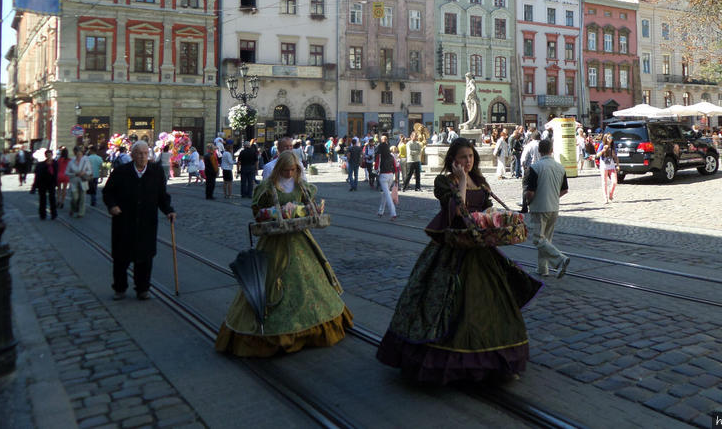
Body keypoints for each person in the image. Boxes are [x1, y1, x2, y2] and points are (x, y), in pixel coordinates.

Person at [376, 138, 541, 383]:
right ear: (453, 159)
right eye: (463, 157)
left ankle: (498, 359)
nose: (468, 161)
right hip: (452, 248)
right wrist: (462, 180)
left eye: (471, 156)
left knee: (493, 300)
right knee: (445, 303)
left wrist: (496, 217)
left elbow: (486, 209)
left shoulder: (482, 182)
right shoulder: (445, 181)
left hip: (480, 247)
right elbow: (456, 212)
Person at [215, 152, 353, 357]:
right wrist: (273, 212)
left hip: (299, 238)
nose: (289, 173)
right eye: (286, 170)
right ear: (279, 169)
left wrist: (304, 209)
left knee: (309, 281)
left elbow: (309, 208)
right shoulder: (269, 188)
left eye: (293, 170)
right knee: (271, 280)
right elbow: (258, 212)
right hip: (275, 241)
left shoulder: (302, 186)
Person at [102, 141, 175, 300]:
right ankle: (120, 288)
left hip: (146, 223)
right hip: (124, 222)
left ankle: (143, 289)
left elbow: (162, 196)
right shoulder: (121, 172)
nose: (143, 157)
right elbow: (108, 192)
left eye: (145, 153)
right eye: (139, 154)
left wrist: (168, 210)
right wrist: (112, 206)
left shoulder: (156, 172)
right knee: (121, 258)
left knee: (145, 258)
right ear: (132, 155)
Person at [523, 139, 571, 278]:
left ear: (539, 150)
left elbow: (530, 192)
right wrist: (553, 196)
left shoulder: (535, 167)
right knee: (546, 240)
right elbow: (565, 189)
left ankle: (560, 259)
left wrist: (528, 201)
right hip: (554, 207)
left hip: (539, 208)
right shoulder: (560, 167)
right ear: (552, 150)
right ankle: (542, 269)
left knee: (538, 239)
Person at [375, 137, 399, 220]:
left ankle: (393, 213)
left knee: (387, 195)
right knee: (385, 194)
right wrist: (396, 178)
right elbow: (396, 168)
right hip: (391, 176)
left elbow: (376, 167)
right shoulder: (391, 156)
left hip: (383, 176)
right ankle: (380, 211)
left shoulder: (380, 156)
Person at [33, 150, 58, 220]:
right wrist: (35, 185)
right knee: (42, 199)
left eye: (50, 154)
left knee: (52, 198)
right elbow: (38, 175)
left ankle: (54, 214)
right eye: (47, 155)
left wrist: (56, 182)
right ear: (45, 156)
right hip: (43, 183)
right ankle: (42, 214)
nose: (49, 156)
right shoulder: (41, 164)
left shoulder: (55, 163)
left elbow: (56, 173)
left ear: (52, 155)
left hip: (51, 183)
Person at [596, 133, 620, 204]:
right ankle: (605, 198)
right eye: (609, 137)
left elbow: (615, 156)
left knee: (614, 182)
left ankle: (611, 194)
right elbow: (597, 155)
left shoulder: (612, 146)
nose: (610, 139)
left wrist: (618, 165)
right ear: (605, 138)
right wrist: (603, 150)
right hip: (604, 166)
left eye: (611, 137)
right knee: (604, 182)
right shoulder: (602, 145)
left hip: (611, 166)